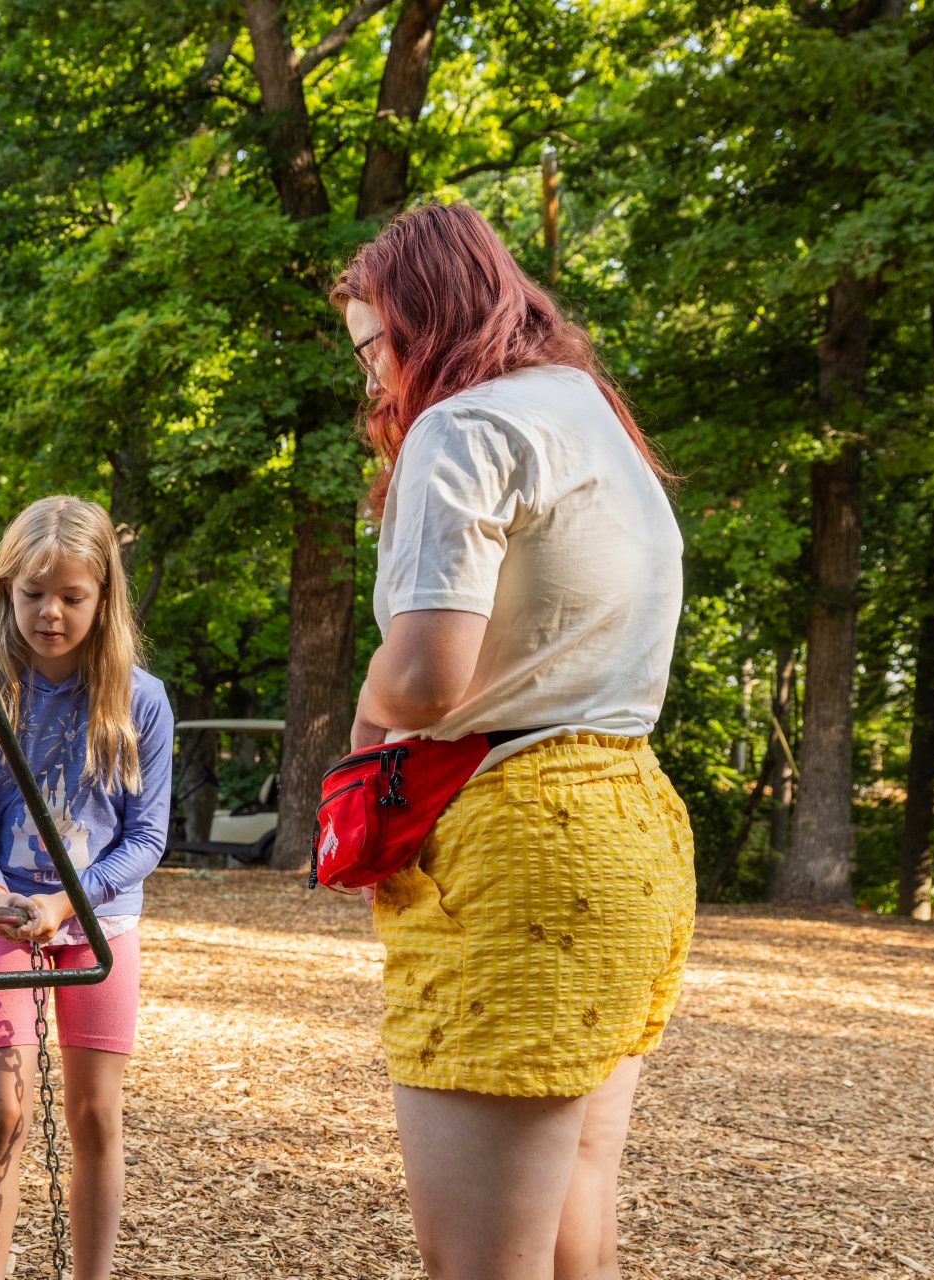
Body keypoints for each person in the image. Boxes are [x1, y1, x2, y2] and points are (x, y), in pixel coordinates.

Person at [332, 202, 694, 1280]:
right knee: (579, 1225)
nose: (375, 384)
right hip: (635, 828)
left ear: (418, 319)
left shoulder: (464, 425)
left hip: (523, 845)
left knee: (483, 1263)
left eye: (375, 348)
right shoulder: (590, 411)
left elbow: (431, 670)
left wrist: (362, 715)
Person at [0, 495, 173, 1280]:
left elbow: (146, 838)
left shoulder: (139, 699)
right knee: (6, 1107)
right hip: (5, 916)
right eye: (34, 593)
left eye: (72, 596)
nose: (51, 612)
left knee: (95, 1113)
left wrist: (66, 903)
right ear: (6, 589)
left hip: (103, 921)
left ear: (103, 597)